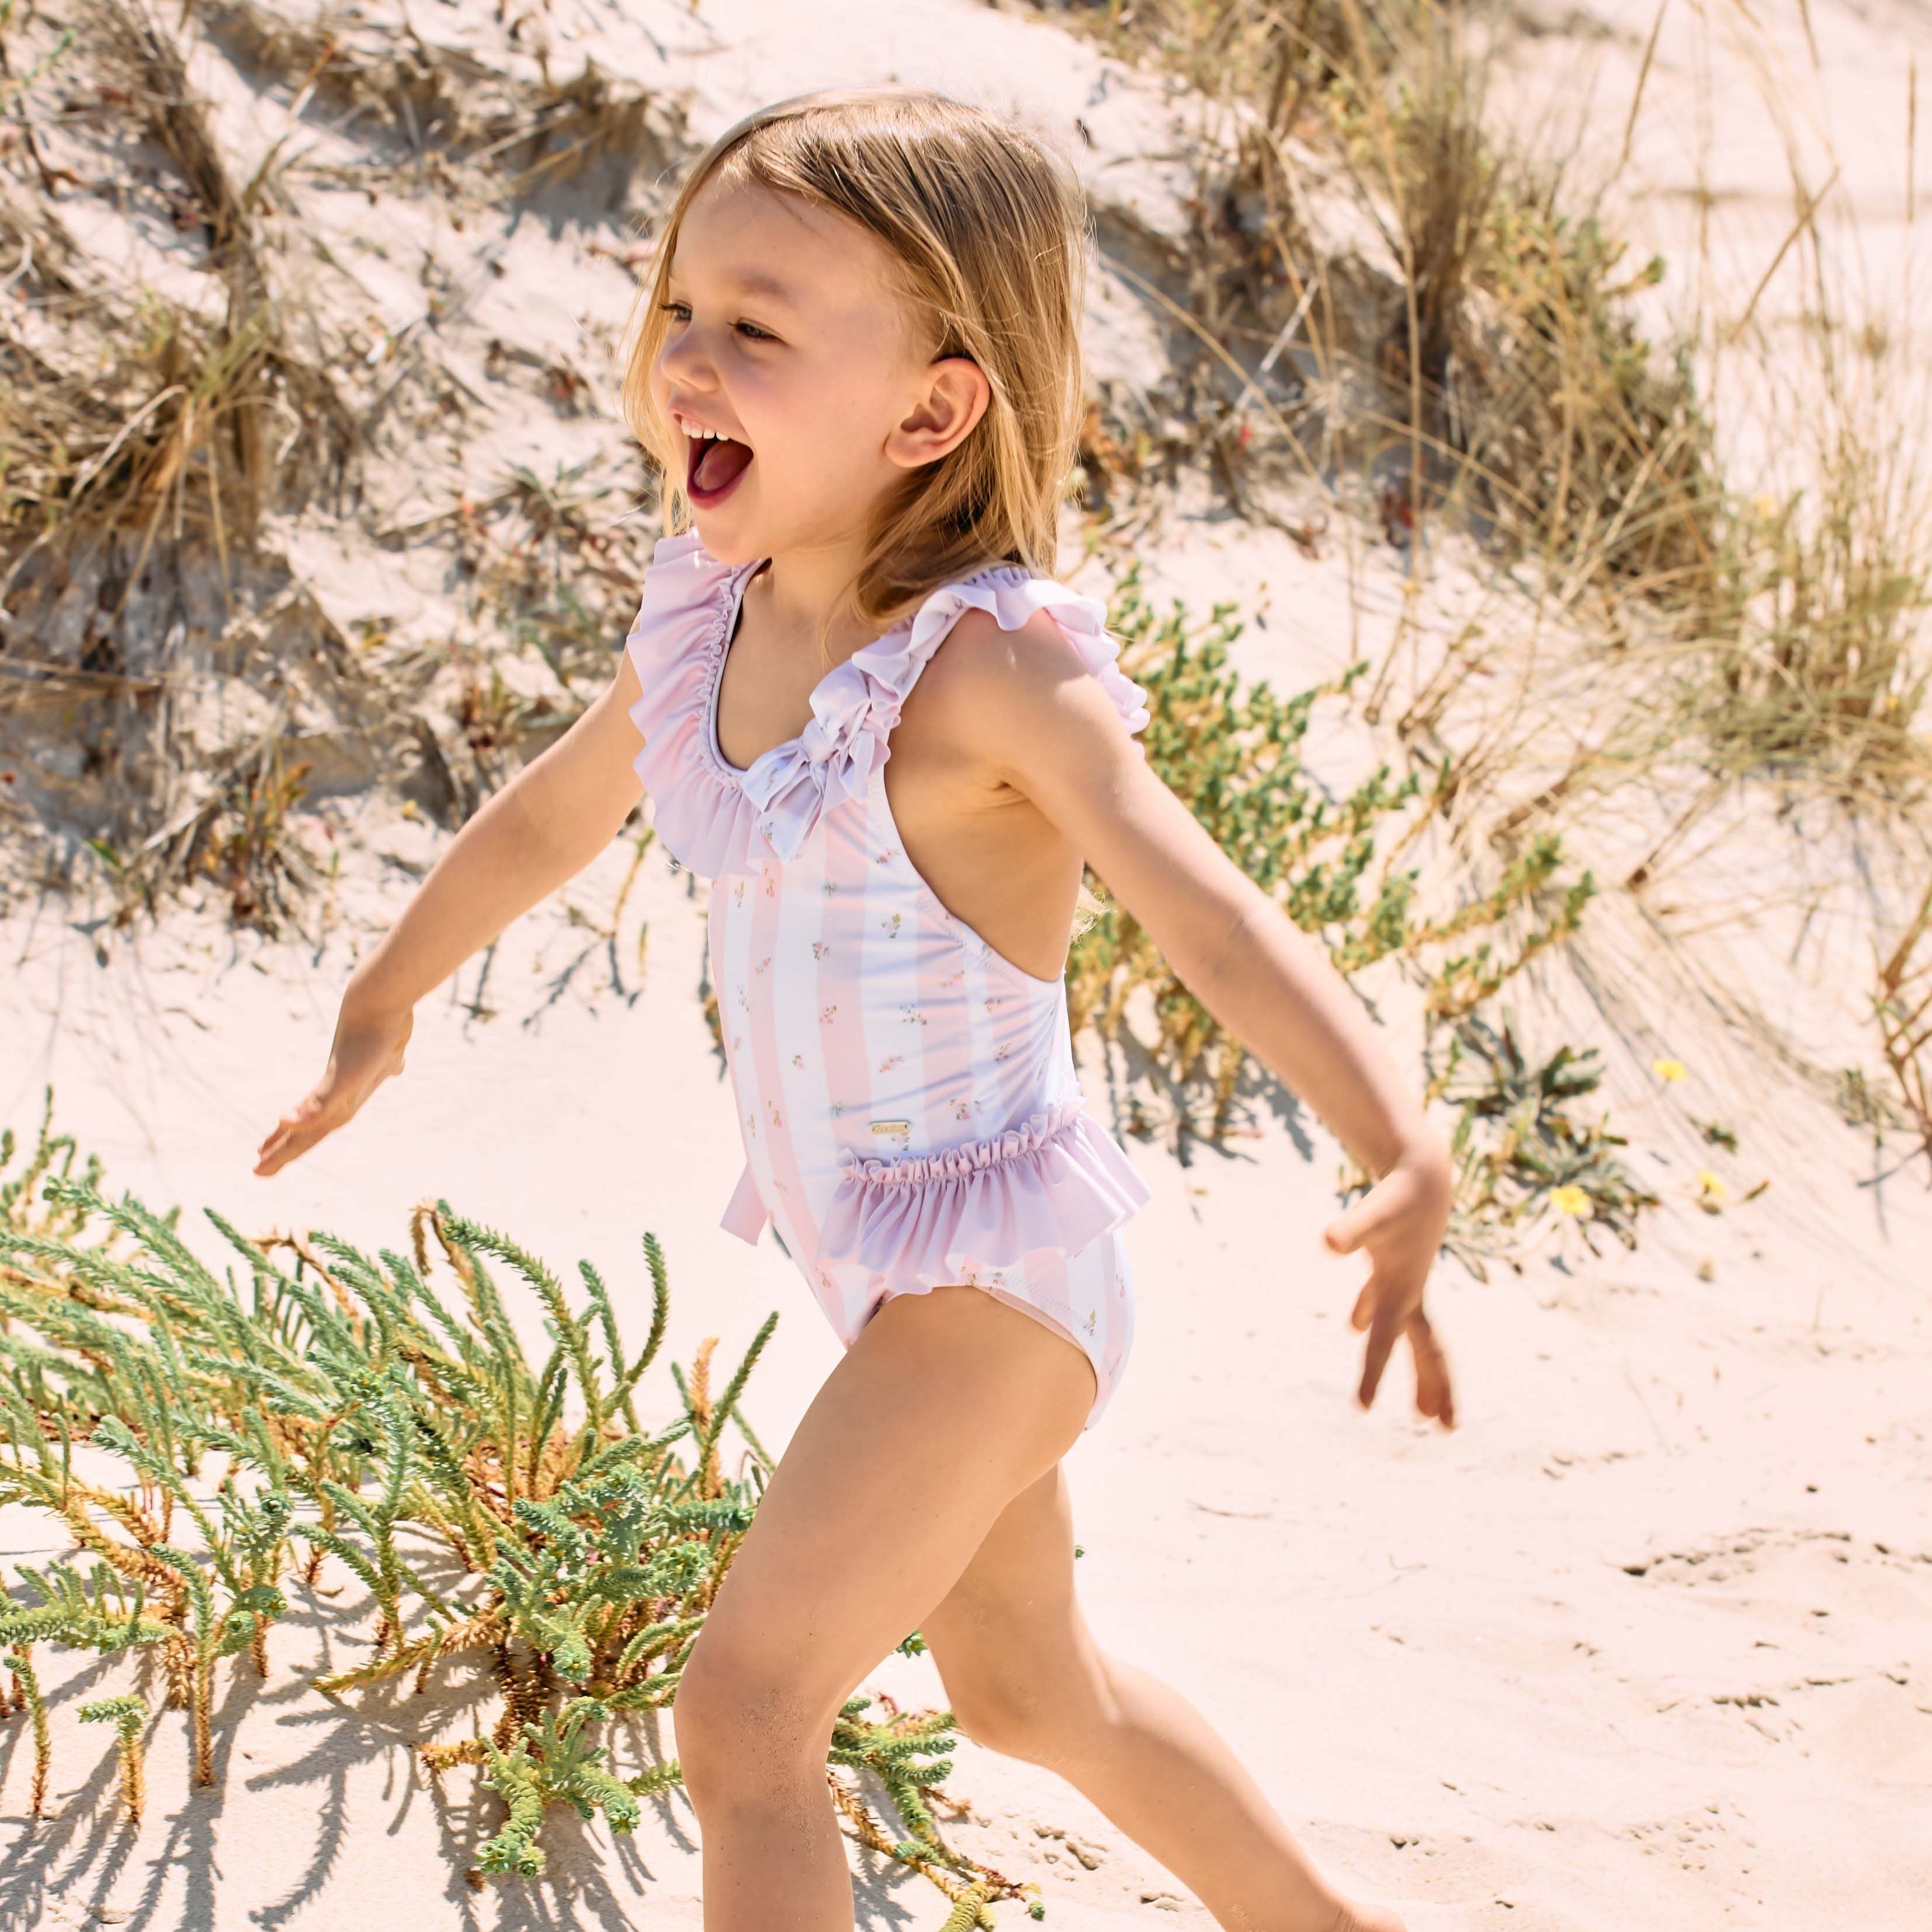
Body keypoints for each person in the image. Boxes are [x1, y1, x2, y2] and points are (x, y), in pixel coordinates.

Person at [255, 88, 1456, 1932]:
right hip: (884, 1268)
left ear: (929, 409)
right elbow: (561, 809)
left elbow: (1205, 912)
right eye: (680, 311)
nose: (690, 363)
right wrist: (379, 996)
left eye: (758, 328)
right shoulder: (714, 612)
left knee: (744, 1715)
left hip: (994, 1287)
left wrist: (1396, 1134)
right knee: (1036, 1694)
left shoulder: (988, 671)